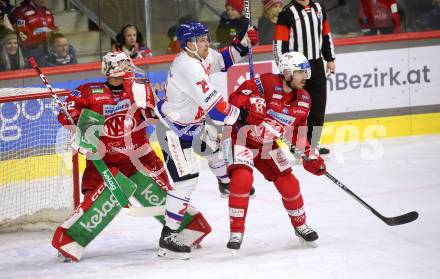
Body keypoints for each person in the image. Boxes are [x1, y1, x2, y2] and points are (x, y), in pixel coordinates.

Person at [51, 51, 212, 262]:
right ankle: (69, 243)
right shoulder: (89, 91)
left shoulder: (138, 90)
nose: (131, 70)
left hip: (140, 159)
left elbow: (156, 116)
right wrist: (77, 126)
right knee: (95, 205)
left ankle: (187, 231)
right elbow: (67, 113)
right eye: (126, 66)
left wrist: (150, 102)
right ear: (115, 70)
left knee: (167, 198)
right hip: (104, 162)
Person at [155, 21, 258, 259]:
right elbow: (217, 109)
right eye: (202, 39)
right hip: (174, 130)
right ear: (189, 44)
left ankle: (225, 182)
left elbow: (222, 60)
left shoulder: (200, 55)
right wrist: (242, 114)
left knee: (217, 148)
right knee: (186, 183)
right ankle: (168, 235)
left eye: (206, 38)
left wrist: (243, 43)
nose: (207, 42)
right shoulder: (187, 67)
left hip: (195, 125)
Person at [225, 51, 326, 250]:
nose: (305, 76)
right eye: (300, 72)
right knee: (242, 179)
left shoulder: (304, 99)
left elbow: (299, 134)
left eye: (306, 72)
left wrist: (310, 155)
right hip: (241, 136)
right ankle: (236, 231)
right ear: (287, 71)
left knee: (289, 183)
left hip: (268, 144)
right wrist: (250, 103)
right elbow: (233, 98)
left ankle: (300, 225)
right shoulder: (267, 82)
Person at [273, 0, 336, 155]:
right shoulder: (286, 13)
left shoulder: (319, 8)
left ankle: (312, 144)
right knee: (297, 108)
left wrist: (330, 58)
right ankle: (297, 145)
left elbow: (326, 34)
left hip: (317, 64)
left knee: (318, 106)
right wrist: (285, 68)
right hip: (296, 68)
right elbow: (279, 44)